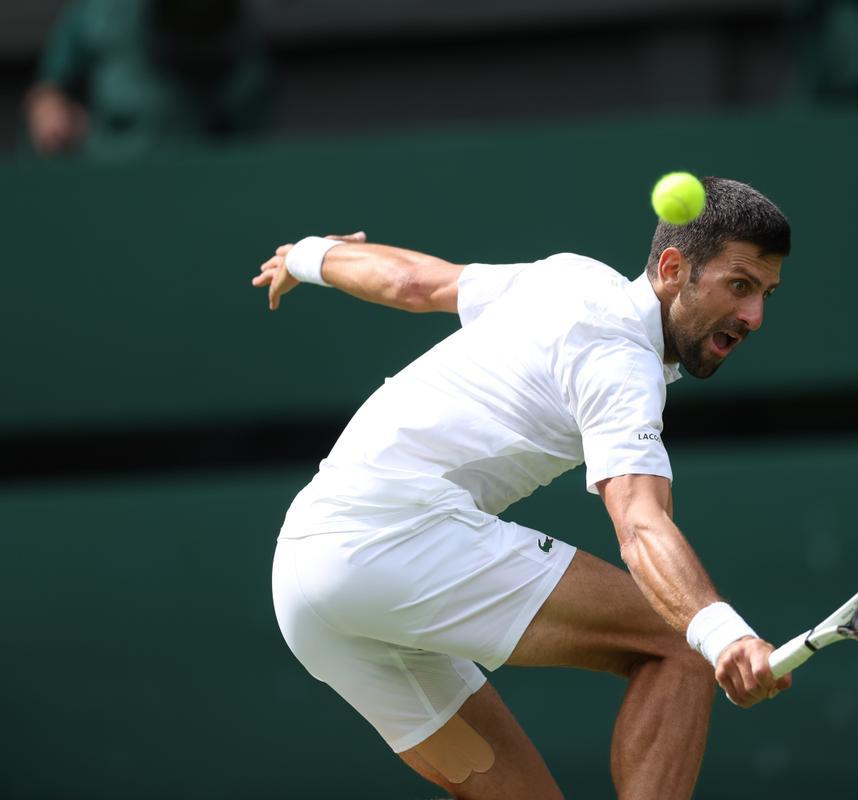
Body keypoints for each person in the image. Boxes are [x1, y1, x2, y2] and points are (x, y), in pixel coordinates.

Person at [252, 177, 794, 799]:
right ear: (674, 269)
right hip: (395, 540)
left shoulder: (569, 277)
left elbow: (414, 283)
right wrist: (722, 634)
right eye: (740, 286)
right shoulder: (623, 367)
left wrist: (309, 255)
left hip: (302, 572)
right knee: (678, 642)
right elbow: (640, 523)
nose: (755, 317)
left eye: (766, 294)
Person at [24, 0, 269, 158]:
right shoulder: (103, 13)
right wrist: (51, 113)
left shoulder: (243, 39)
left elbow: (247, 135)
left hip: (197, 181)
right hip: (104, 175)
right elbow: (48, 92)